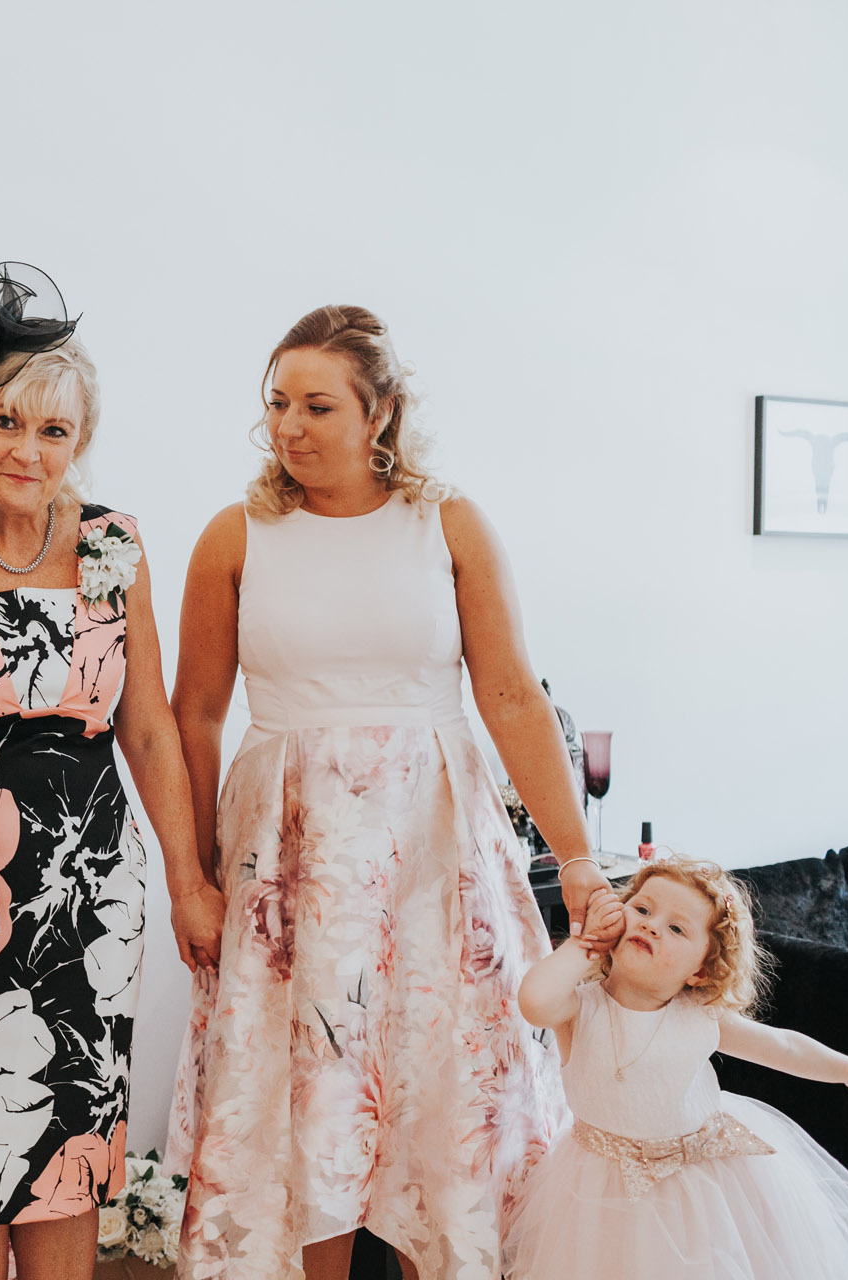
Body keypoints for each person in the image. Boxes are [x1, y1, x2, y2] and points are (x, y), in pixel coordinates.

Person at [166, 305, 613, 1280]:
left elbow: (509, 694)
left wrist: (579, 860)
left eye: (317, 404)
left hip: (437, 860)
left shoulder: (448, 524)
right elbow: (192, 713)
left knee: (442, 1109)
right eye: (276, 402)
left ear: (381, 413)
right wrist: (191, 874)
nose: (289, 424)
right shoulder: (233, 535)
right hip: (290, 865)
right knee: (306, 1113)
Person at [0, 265, 222, 1280]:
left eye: (53, 431)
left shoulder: (110, 545)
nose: (28, 451)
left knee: (72, 1155)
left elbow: (151, 728)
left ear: (78, 438)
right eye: (6, 423)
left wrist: (188, 878)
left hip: (93, 901)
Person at [507, 858, 848, 1278]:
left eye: (676, 928)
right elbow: (533, 1000)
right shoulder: (579, 1008)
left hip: (706, 1185)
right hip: (600, 1190)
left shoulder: (702, 1016)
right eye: (641, 909)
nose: (652, 925)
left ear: (700, 970)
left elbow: (785, 1046)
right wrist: (587, 944)